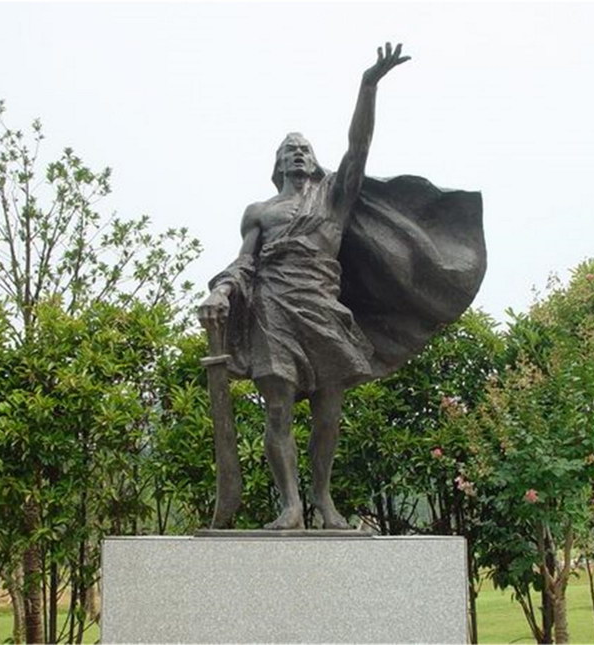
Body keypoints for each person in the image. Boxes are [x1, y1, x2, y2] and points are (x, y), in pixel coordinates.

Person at [198, 43, 486, 530]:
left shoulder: (335, 196)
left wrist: (368, 86)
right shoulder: (260, 212)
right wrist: (221, 290)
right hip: (273, 310)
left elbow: (359, 146)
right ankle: (291, 507)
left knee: (328, 412)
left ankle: (324, 501)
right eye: (288, 150)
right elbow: (245, 263)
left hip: (322, 308)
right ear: (277, 163)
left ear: (314, 161)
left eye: (304, 149)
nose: (297, 153)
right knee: (277, 411)